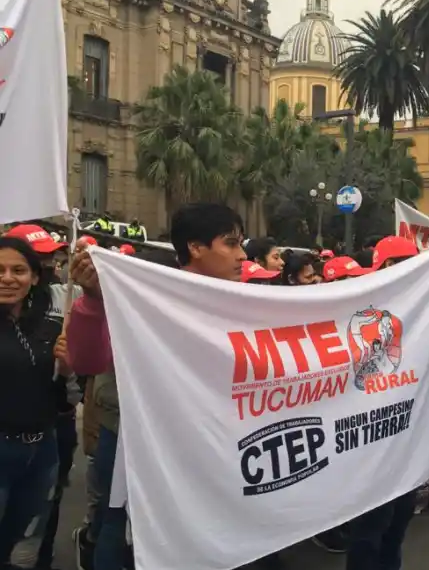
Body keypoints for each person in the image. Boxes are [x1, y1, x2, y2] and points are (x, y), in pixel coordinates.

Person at [69, 204, 246, 570]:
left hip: (211, 447)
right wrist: (93, 300)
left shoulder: (246, 302)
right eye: (231, 243)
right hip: (131, 443)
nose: (242, 255)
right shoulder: (139, 295)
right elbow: (85, 363)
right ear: (196, 248)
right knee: (119, 533)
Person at [343, 236, 419, 570]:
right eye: (404, 263)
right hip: (367, 442)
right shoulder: (357, 309)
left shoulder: (419, 305)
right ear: (387, 267)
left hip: (405, 439)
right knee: (369, 531)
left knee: (397, 526)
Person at [0, 237, 70, 570]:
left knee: (25, 549)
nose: (8, 278)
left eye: (18, 270)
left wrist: (68, 366)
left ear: (35, 277)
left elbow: (65, 391)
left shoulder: (49, 323)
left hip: (44, 451)